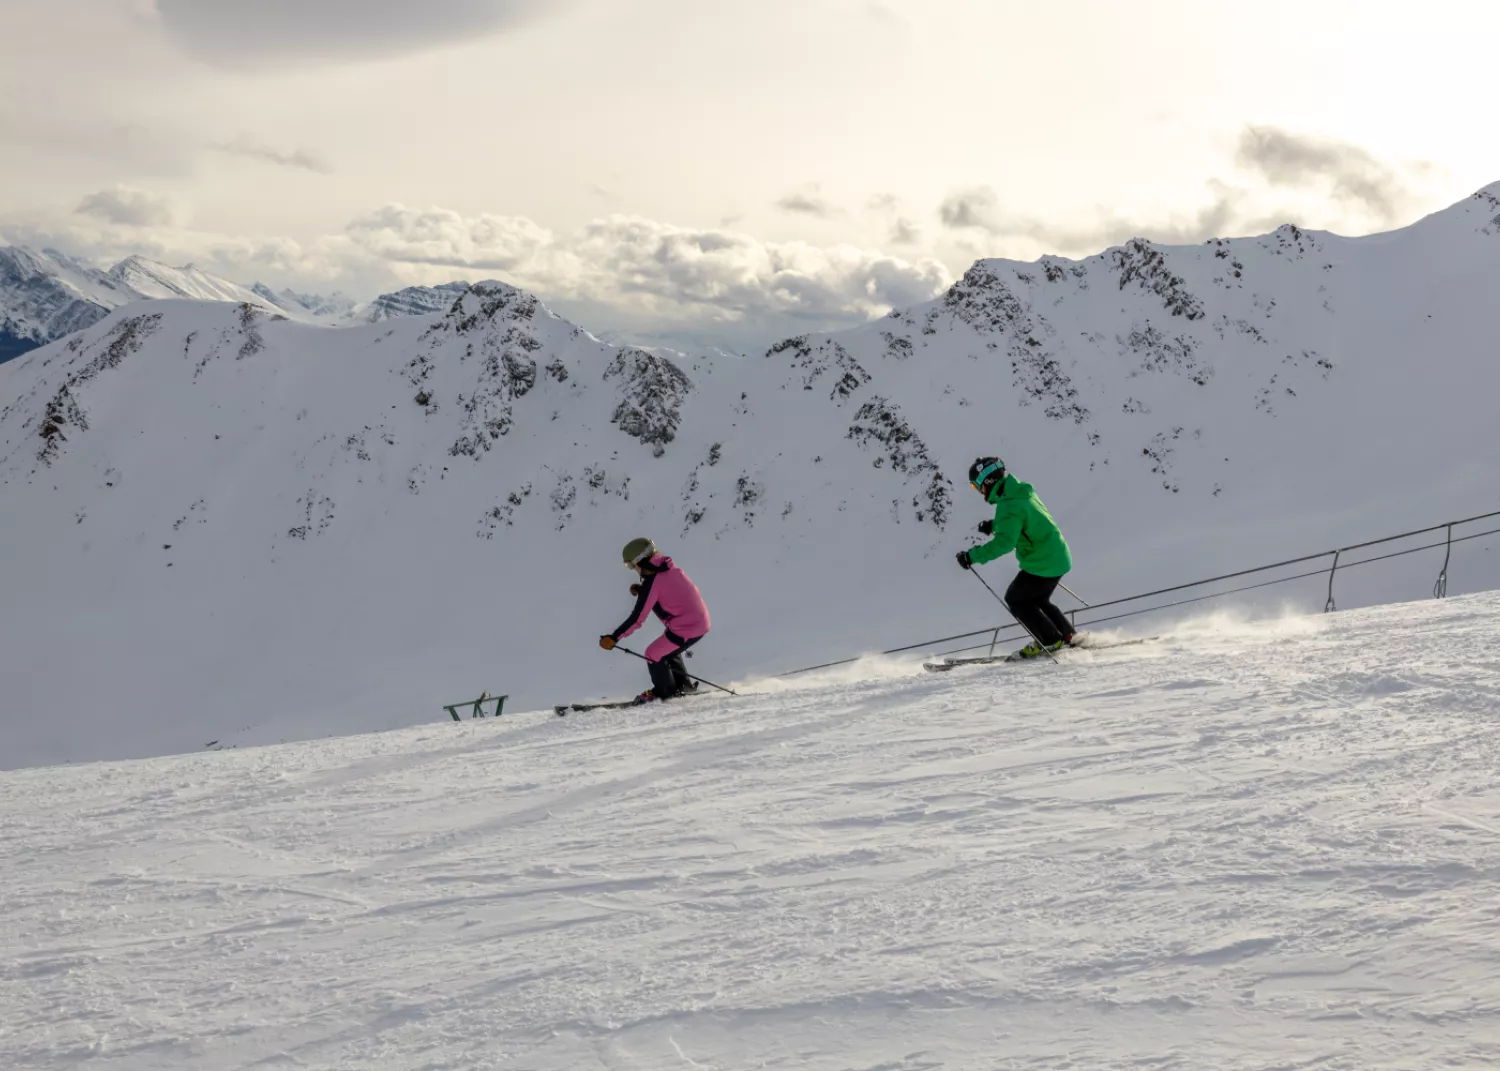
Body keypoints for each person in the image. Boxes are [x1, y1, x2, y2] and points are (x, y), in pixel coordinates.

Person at [955, 457, 1076, 658]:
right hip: (1058, 556)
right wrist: (994, 525)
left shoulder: (1008, 505)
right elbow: (1021, 519)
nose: (979, 491)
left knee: (1016, 599)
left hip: (1042, 562)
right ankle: (1067, 635)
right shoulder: (1020, 492)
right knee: (1038, 600)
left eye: (977, 486)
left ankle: (1050, 640)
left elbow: (1004, 543)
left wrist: (971, 557)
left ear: (988, 481)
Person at [599, 537, 711, 703]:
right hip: (697, 623)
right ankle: (683, 686)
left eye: (630, 565)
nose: (632, 569)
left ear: (641, 560)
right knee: (666, 651)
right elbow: (668, 594)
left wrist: (614, 638)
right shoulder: (669, 569)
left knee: (653, 654)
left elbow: (637, 619)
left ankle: (666, 693)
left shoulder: (653, 582)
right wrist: (643, 592)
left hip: (688, 627)